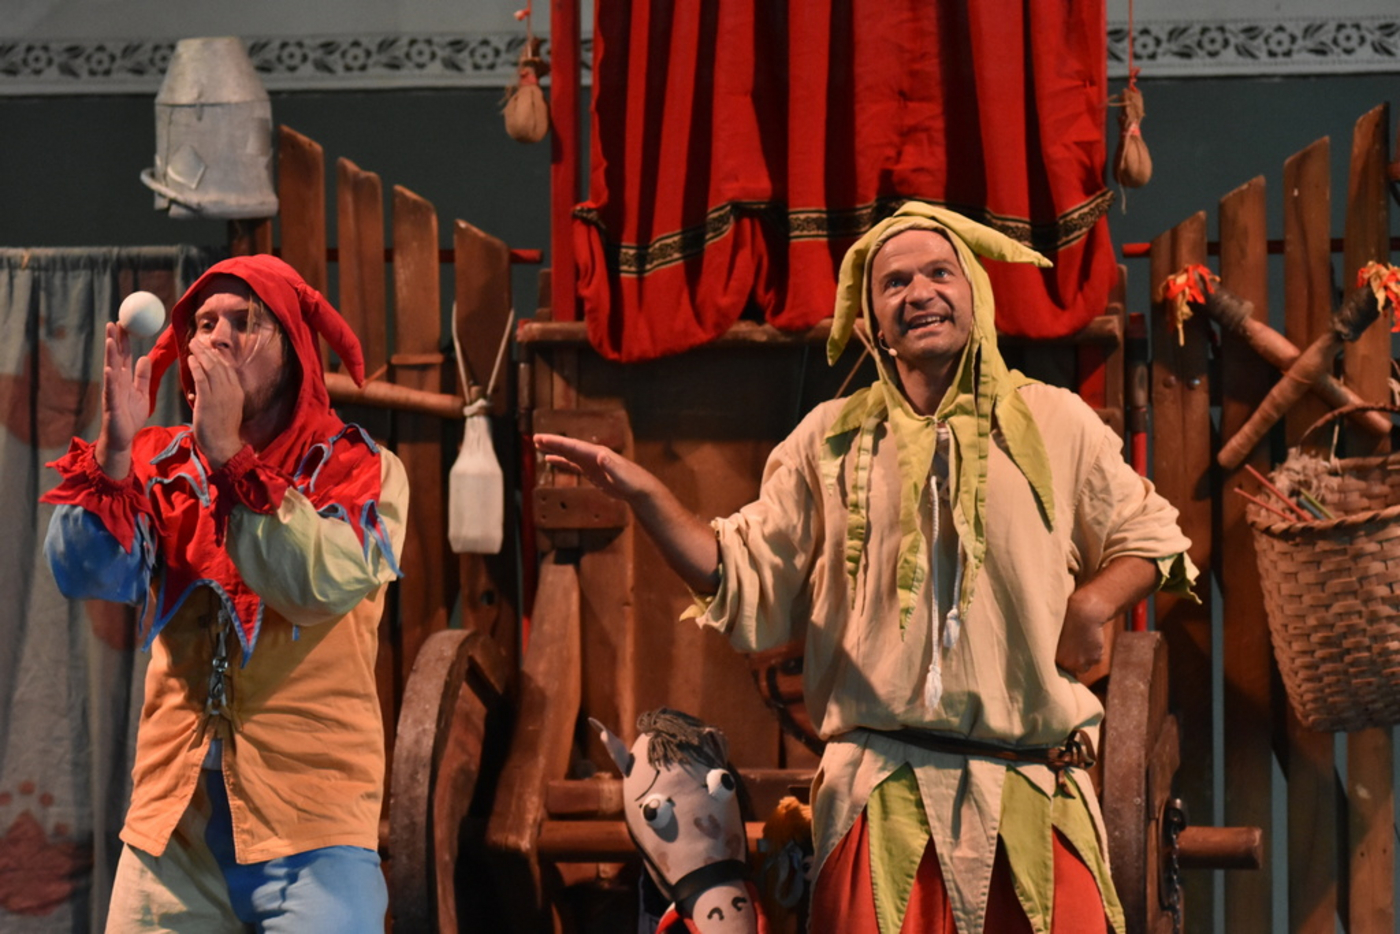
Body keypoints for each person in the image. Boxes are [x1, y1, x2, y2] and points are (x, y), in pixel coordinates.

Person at [535, 202, 1196, 934]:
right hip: (881, 803)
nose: (920, 293)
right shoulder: (829, 441)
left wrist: (1092, 605)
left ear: (975, 291)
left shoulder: (1056, 422)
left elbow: (1152, 535)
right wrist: (648, 497)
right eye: (895, 283)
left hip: (1031, 799)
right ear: (871, 320)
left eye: (940, 273)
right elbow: (740, 571)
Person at [41, 255, 407, 933]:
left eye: (244, 322)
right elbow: (84, 572)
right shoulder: (161, 464)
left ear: (293, 347)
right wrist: (114, 456)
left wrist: (231, 457)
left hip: (312, 829)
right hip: (173, 831)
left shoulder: (359, 469)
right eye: (205, 323)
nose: (218, 338)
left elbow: (317, 584)